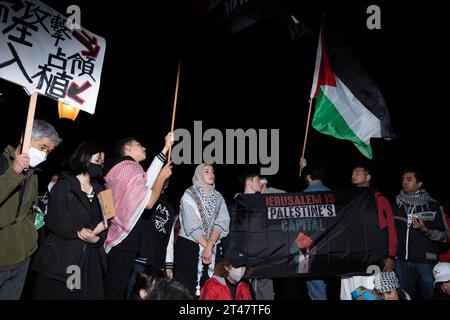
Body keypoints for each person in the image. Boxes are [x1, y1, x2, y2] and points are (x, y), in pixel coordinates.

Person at [30, 141, 108, 299]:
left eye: (102, 162)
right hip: (62, 257)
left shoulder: (105, 192)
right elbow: (55, 221)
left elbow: (108, 223)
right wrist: (82, 232)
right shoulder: (64, 185)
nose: (100, 165)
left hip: (89, 260)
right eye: (97, 160)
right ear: (83, 158)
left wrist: (96, 238)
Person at [103, 133, 173, 299]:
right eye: (139, 145)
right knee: (115, 291)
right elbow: (148, 201)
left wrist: (165, 148)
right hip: (123, 242)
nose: (144, 148)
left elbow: (146, 181)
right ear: (127, 148)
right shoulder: (130, 168)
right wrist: (162, 177)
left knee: (111, 287)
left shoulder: (122, 169)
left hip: (116, 239)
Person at [0, 119, 62, 300]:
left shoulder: (33, 174)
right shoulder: (3, 164)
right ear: (24, 138)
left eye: (48, 151)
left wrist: (30, 235)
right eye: (42, 147)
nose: (44, 155)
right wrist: (14, 173)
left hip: (21, 257)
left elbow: (28, 211)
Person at [340, 165, 398, 300]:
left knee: (370, 291)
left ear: (368, 177)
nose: (353, 175)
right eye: (352, 172)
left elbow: (390, 229)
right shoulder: (347, 199)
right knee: (350, 291)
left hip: (374, 257)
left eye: (358, 172)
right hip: (351, 257)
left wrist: (390, 255)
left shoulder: (380, 200)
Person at [174, 164, 230, 297]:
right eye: (206, 171)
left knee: (208, 289)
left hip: (211, 248)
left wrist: (209, 247)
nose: (211, 174)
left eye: (212, 171)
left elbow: (221, 223)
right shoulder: (189, 194)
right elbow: (191, 225)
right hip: (190, 246)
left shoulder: (219, 197)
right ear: (199, 174)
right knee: (186, 289)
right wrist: (208, 247)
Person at [393, 168, 449, 299]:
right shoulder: (396, 205)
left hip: (426, 263)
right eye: (403, 180)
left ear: (419, 184)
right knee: (404, 296)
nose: (404, 182)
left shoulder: (433, 206)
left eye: (409, 179)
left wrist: (425, 230)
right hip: (401, 262)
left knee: (430, 296)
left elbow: (445, 236)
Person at [297, 158, 328, 300]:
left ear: (308, 178)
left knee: (314, 285)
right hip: (330, 245)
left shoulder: (301, 197)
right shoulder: (333, 195)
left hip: (306, 246)